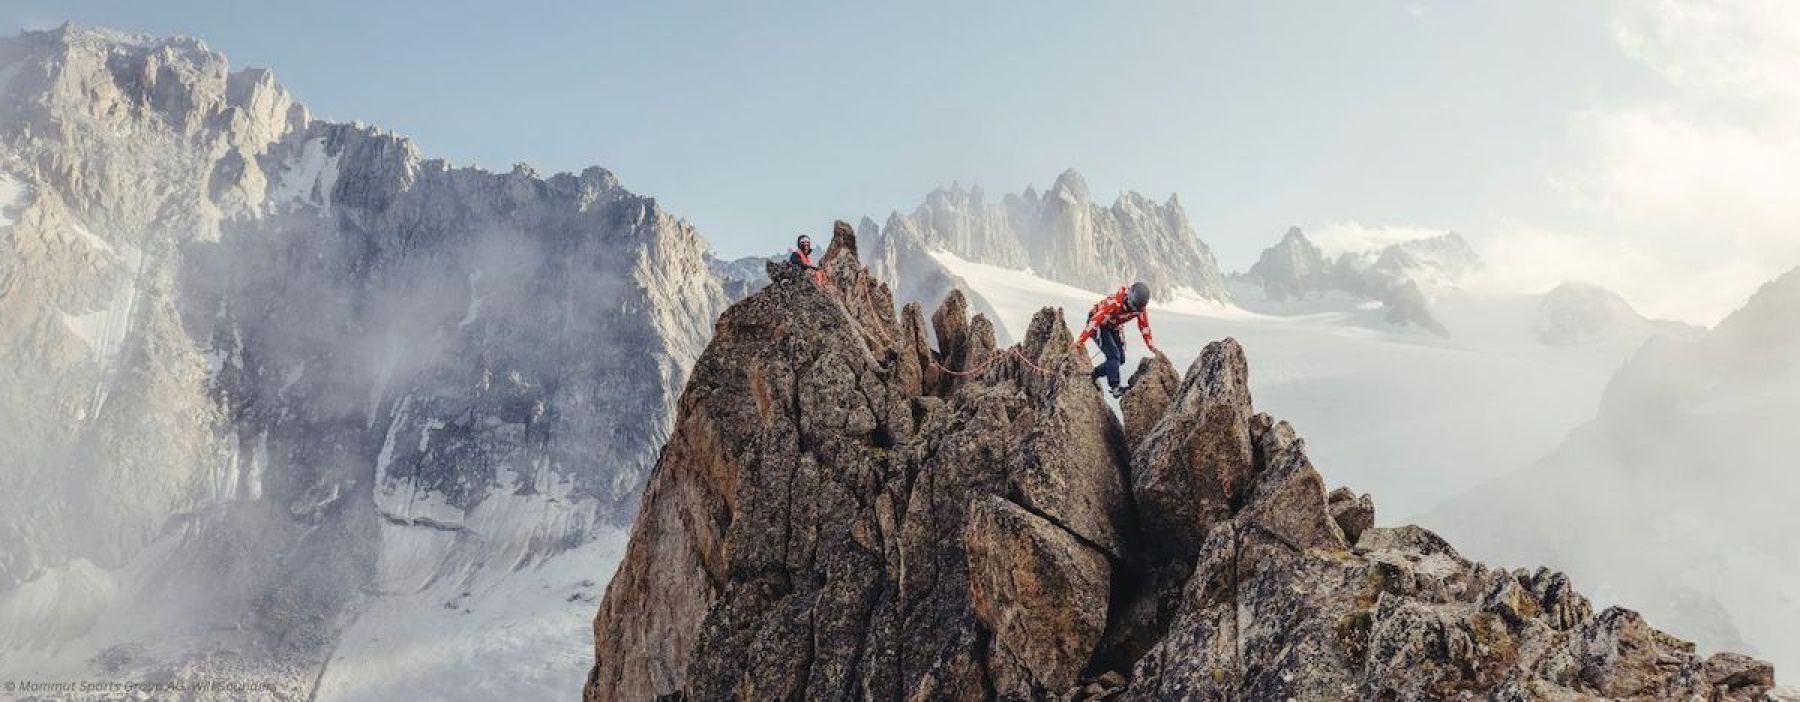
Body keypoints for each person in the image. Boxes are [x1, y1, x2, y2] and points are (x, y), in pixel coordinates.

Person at [1073, 282, 1157, 398]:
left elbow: (1144, 327)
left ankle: (1094, 374)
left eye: (1137, 308)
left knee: (1120, 359)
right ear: (1129, 297)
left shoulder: (1140, 309)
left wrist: (1151, 346)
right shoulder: (1114, 302)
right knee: (1113, 355)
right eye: (1133, 306)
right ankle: (1115, 387)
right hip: (1098, 324)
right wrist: (1080, 341)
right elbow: (1095, 320)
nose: (1133, 309)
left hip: (1112, 326)